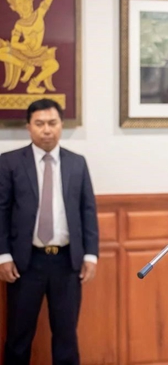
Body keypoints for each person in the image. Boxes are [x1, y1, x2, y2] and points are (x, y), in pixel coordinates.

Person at [0, 98, 99, 365]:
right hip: (25, 263)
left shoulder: (77, 163)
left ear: (61, 125)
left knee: (66, 336)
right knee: (18, 336)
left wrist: (90, 255)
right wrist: (3, 255)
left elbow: (87, 210)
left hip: (67, 262)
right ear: (28, 127)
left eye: (52, 123)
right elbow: (1, 211)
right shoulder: (9, 163)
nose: (46, 130)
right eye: (39, 123)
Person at [0, 0, 60, 94]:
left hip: (38, 54)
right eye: (19, 4)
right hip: (24, 53)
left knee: (54, 65)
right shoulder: (19, 24)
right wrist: (23, 45)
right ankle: (26, 67)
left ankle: (34, 83)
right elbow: (14, 42)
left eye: (25, 1)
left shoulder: (39, 14)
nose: (23, 6)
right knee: (1, 52)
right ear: (14, 7)